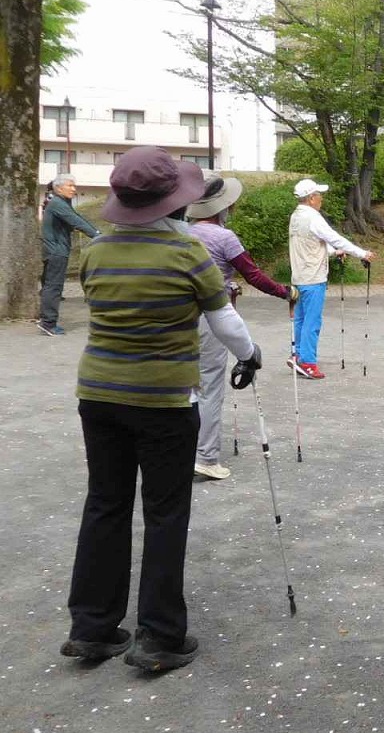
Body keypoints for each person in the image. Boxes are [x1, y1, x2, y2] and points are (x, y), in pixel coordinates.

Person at [61, 147, 261, 672]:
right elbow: (225, 322)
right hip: (165, 400)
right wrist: (251, 355)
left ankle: (92, 629)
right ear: (175, 201)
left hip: (98, 394)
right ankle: (159, 636)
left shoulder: (97, 251)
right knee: (165, 512)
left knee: (104, 504)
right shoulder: (187, 251)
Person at [187, 176, 295, 480]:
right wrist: (285, 292)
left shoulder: (184, 233)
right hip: (212, 316)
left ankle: (183, 450)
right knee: (209, 385)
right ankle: (206, 457)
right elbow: (254, 275)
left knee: (186, 387)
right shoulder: (225, 238)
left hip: (179, 317)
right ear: (224, 207)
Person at [287, 179, 374, 380]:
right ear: (310, 198)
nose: (321, 198)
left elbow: (316, 242)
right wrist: (361, 253)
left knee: (300, 319)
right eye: (318, 194)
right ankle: (308, 362)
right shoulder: (313, 217)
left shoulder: (296, 216)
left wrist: (335, 252)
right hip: (314, 278)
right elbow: (334, 237)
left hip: (298, 277)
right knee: (312, 321)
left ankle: (298, 356)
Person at [39, 173, 100, 336]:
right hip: (56, 251)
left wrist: (97, 232)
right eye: (70, 186)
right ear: (59, 188)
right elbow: (75, 220)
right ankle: (48, 323)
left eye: (74, 185)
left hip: (53, 249)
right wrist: (97, 236)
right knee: (54, 286)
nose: (74, 189)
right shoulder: (57, 203)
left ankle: (45, 319)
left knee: (49, 285)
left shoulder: (61, 202)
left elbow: (77, 217)